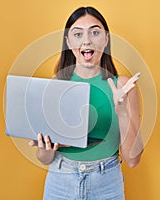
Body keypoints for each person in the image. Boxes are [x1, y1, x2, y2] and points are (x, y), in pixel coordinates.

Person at [29, 6, 143, 200]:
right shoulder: (55, 86)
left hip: (107, 183)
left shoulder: (123, 87)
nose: (87, 40)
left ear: (106, 39)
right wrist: (44, 148)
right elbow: (45, 158)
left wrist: (122, 111)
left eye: (95, 32)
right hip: (60, 182)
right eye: (78, 34)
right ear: (68, 41)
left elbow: (133, 160)